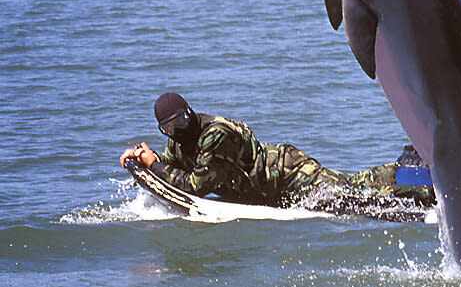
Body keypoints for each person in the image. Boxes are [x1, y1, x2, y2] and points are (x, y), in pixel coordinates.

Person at [121, 91, 432, 213]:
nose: (176, 130)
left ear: (189, 113)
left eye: (180, 121)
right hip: (271, 183)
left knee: (350, 199)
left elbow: (194, 185)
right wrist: (143, 158)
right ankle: (411, 167)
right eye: (168, 128)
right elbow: (173, 166)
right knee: (353, 181)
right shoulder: (179, 140)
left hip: (288, 176)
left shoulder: (215, 135)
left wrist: (155, 166)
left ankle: (424, 192)